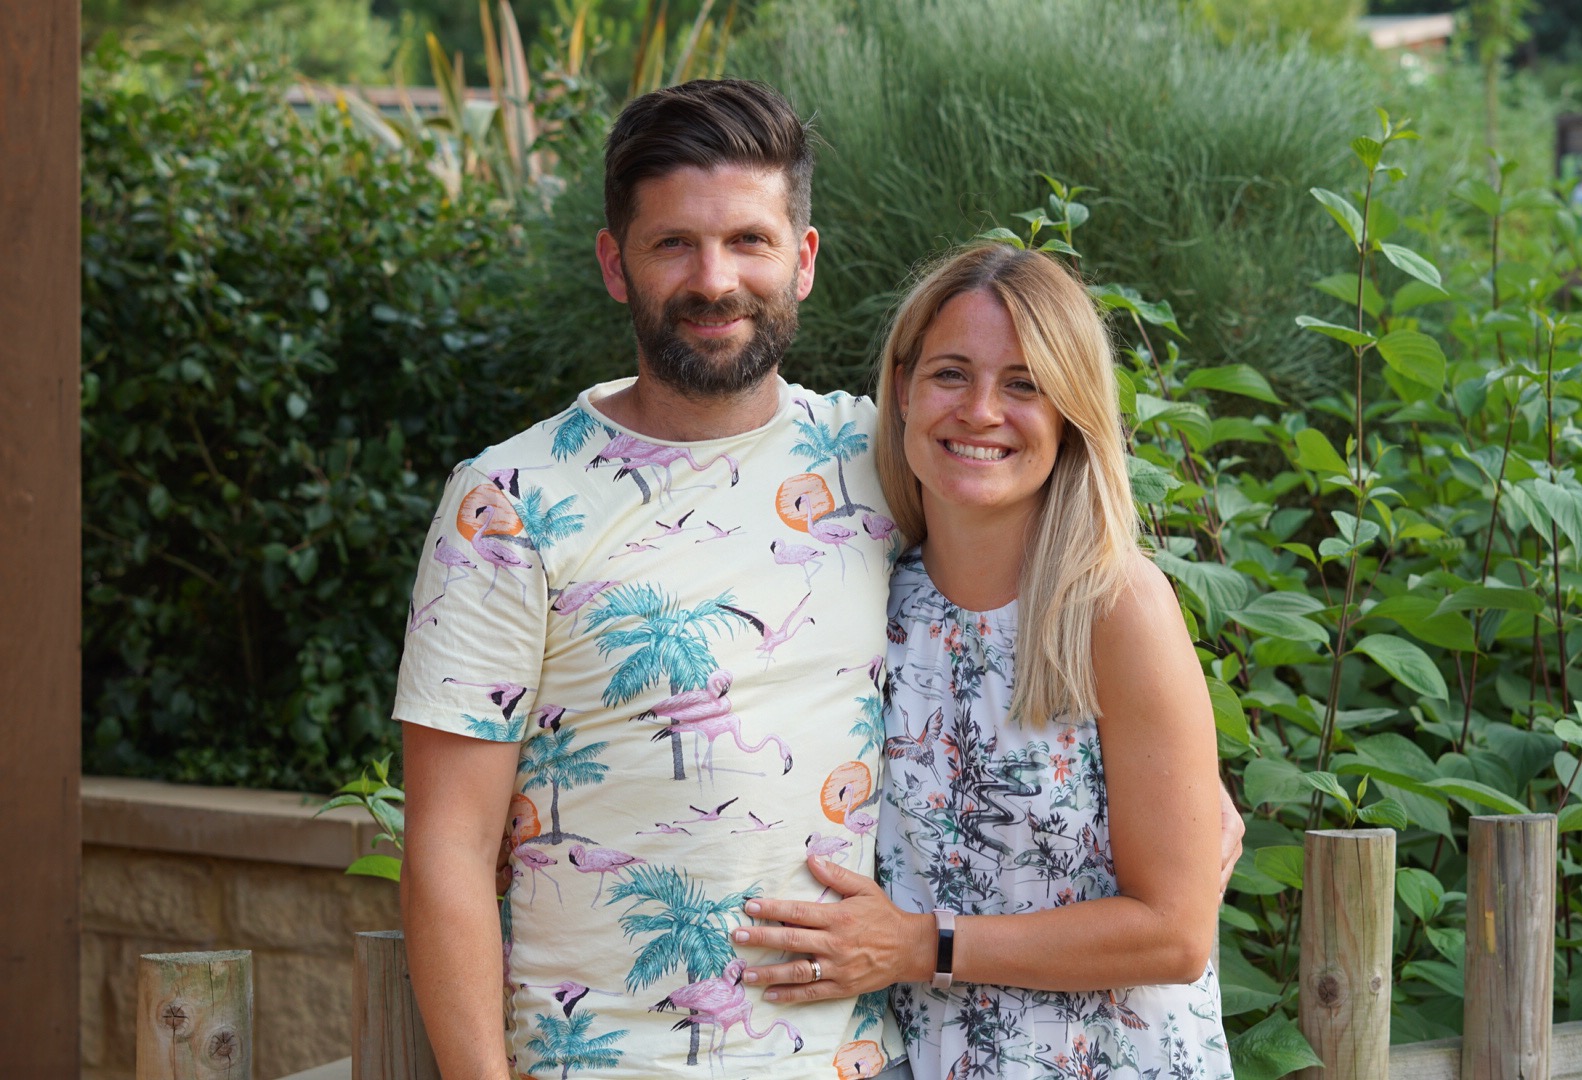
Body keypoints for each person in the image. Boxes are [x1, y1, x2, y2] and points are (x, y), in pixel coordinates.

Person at [393, 80, 1240, 1080]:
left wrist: (1178, 800)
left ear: (801, 260)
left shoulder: (876, 458)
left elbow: (1045, 550)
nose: (714, 279)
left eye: (748, 241)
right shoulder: (509, 503)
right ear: (614, 266)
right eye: (673, 244)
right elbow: (447, 849)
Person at [731, 244, 1232, 1079]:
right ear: (902, 389)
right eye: (951, 375)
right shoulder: (869, 598)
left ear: (1072, 410)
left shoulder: (1115, 608)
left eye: (1025, 385)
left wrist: (922, 946)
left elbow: (1176, 935)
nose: (981, 411)